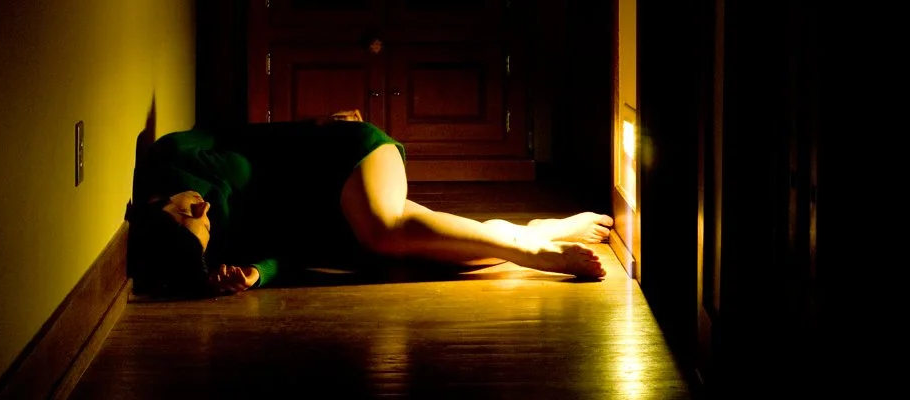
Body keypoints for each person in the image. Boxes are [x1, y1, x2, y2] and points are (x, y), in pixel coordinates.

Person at [127, 110, 609, 296]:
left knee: (383, 230)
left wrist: (321, 122)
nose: (204, 212)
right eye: (204, 226)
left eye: (192, 213)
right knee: (438, 257)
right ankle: (540, 230)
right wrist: (257, 273)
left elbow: (245, 134)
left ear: (164, 210)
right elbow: (288, 254)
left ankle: (533, 252)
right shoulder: (208, 249)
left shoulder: (172, 154)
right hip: (333, 223)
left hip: (340, 157)